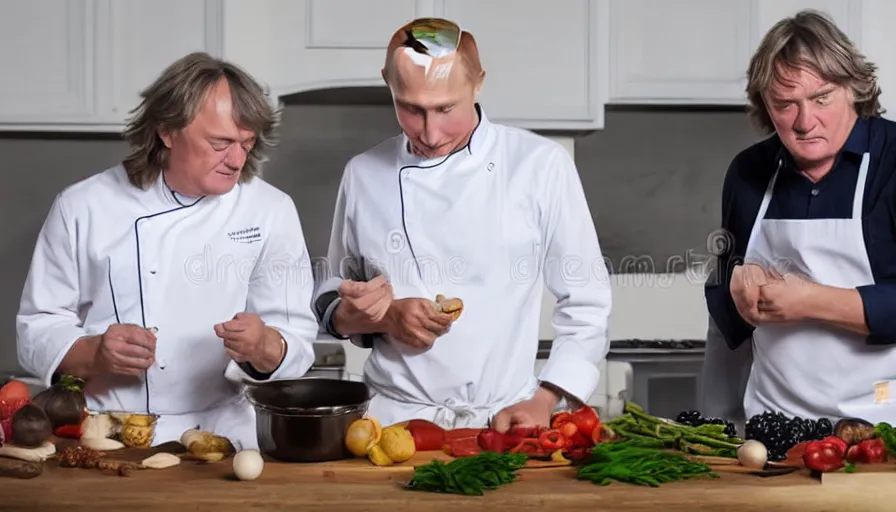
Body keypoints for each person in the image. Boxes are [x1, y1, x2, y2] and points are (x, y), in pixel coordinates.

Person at [313, 17, 612, 432]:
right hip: (394, 423)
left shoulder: (539, 165)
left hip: (505, 420)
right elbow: (330, 300)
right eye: (411, 109)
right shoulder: (363, 173)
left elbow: (587, 303)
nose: (431, 132)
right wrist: (382, 317)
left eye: (445, 109)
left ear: (479, 83)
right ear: (387, 83)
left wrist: (545, 400)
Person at [16, 52, 320, 449]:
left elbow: (296, 339)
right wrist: (95, 353)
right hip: (106, 431)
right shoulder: (84, 206)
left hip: (223, 433)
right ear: (167, 131)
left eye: (246, 143)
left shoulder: (270, 210)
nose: (237, 160)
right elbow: (35, 328)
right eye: (220, 143)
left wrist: (264, 346)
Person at [705, 10, 896, 424]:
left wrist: (810, 300)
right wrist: (737, 283)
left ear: (853, 89)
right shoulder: (748, 172)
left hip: (883, 423)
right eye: (785, 105)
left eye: (821, 98)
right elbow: (721, 296)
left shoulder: (892, 162)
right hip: (773, 426)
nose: (805, 122)